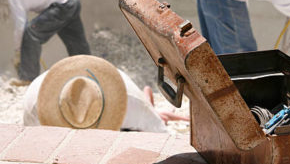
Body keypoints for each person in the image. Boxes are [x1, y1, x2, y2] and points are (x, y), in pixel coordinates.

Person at [23, 55, 189, 133]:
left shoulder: (129, 103)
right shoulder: (35, 104)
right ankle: (151, 102)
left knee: (152, 115)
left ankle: (151, 103)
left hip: (134, 105)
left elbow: (160, 135)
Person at [0, 0, 90, 84]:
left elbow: (20, 25)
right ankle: (90, 73)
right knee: (76, 43)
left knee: (31, 33)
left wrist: (18, 52)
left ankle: (28, 78)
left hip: (61, 6)